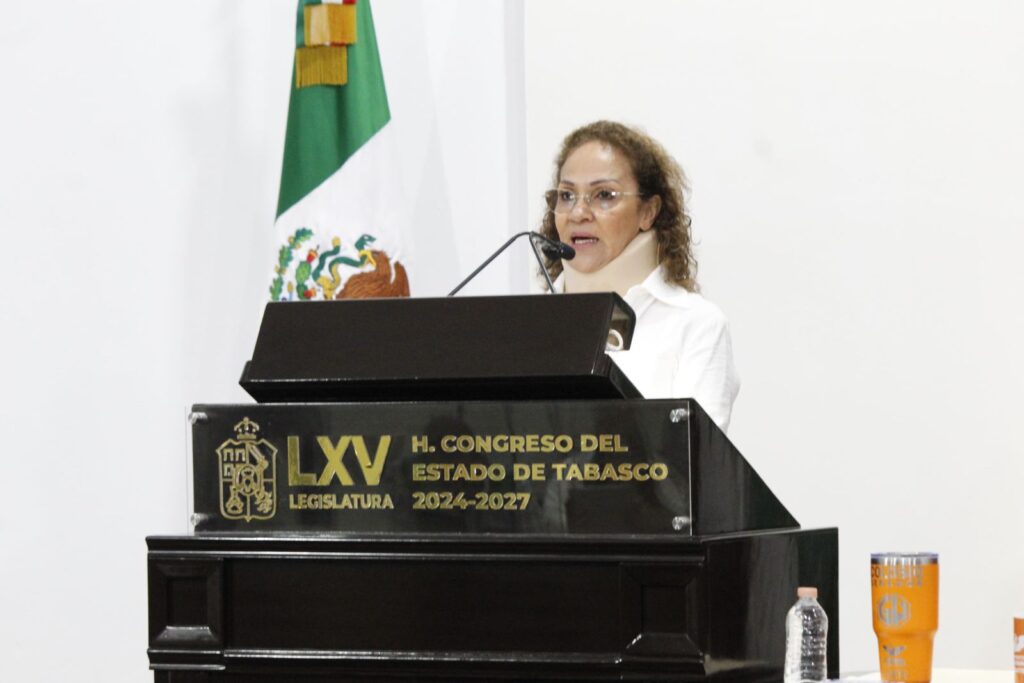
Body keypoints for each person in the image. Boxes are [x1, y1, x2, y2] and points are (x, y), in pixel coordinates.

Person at [539, 120, 740, 432]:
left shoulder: (695, 324)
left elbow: (694, 453)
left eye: (604, 195)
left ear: (648, 212)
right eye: (566, 195)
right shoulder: (531, 324)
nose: (578, 213)